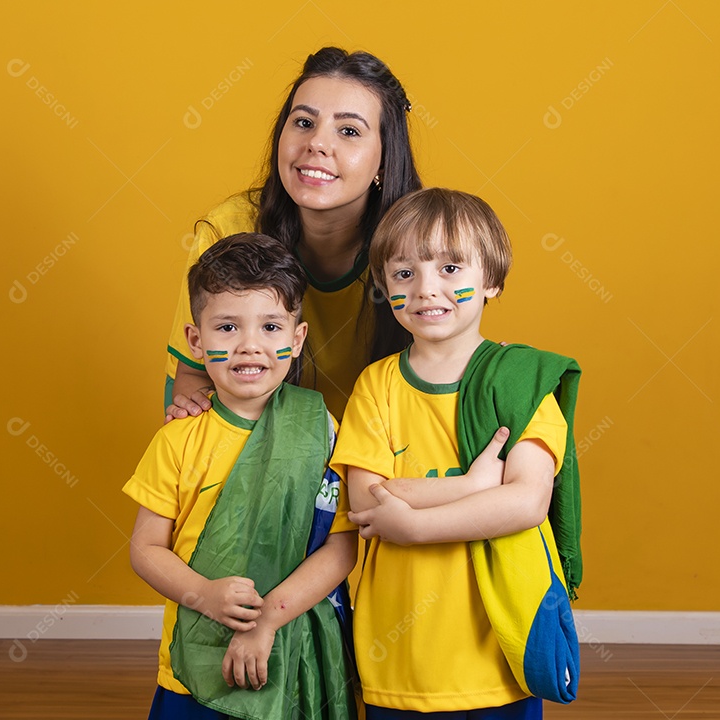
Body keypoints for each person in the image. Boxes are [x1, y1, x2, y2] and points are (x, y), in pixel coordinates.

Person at [332, 188, 583, 718]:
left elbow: (526, 503)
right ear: (384, 286)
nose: (426, 289)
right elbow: (368, 503)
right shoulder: (376, 386)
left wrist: (414, 524)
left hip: (496, 656)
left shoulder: (519, 384)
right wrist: (471, 487)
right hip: (397, 652)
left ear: (491, 279)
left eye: (450, 268)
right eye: (404, 273)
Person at [127, 233, 359, 719]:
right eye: (228, 327)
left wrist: (267, 621)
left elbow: (341, 547)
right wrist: (206, 595)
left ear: (297, 339)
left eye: (271, 327)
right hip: (194, 660)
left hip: (292, 650)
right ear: (196, 341)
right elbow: (146, 548)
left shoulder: (321, 430)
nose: (250, 346)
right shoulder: (178, 439)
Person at [165, 46, 422, 423]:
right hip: (263, 445)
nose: (316, 143)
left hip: (387, 447)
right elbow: (192, 376)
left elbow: (452, 366)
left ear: (385, 160)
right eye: (303, 122)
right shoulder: (228, 229)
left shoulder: (424, 242)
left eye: (349, 131)